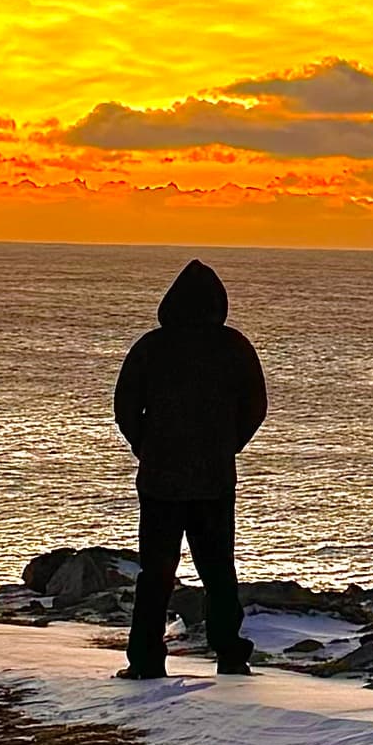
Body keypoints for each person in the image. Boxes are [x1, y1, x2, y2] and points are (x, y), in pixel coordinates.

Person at [110, 259, 268, 678]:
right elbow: (255, 408)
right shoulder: (234, 347)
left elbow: (125, 407)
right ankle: (230, 654)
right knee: (219, 571)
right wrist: (226, 446)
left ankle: (145, 660)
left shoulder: (152, 346)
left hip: (162, 479)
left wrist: (147, 448)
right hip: (213, 479)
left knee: (156, 573)